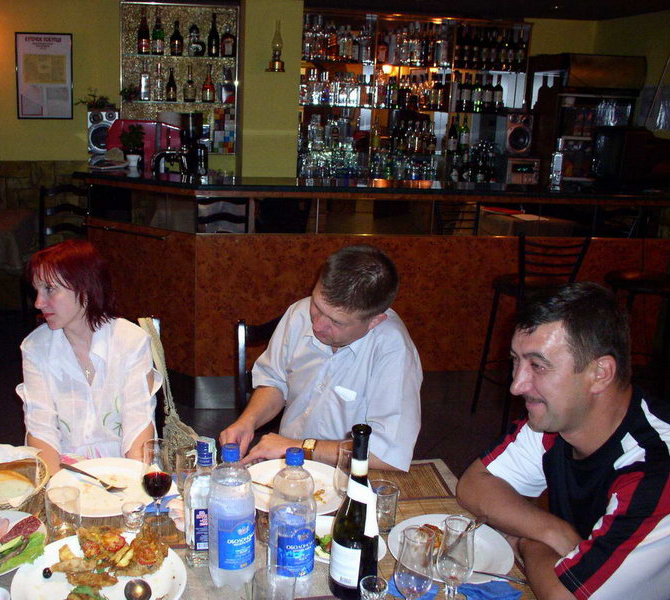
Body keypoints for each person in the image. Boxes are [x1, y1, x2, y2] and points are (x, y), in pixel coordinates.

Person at [456, 282, 670, 599]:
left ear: (600, 373)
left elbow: (565, 596)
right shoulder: (556, 424)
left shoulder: (655, 471)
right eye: (516, 361)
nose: (516, 385)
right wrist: (553, 530)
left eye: (538, 365)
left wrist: (527, 541)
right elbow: (474, 485)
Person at [220, 244, 422, 471]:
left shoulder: (393, 349)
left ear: (374, 321)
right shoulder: (299, 313)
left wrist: (296, 447)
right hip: (289, 465)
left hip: (349, 474)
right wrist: (248, 421)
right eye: (316, 305)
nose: (317, 325)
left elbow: (387, 454)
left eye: (336, 321)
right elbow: (275, 381)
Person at [16, 239, 161, 475]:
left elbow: (139, 426)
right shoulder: (36, 347)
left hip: (123, 467)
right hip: (62, 469)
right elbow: (42, 432)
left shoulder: (130, 341)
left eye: (50, 289)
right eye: (37, 290)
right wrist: (59, 488)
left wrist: (132, 484)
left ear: (85, 288)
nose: (38, 303)